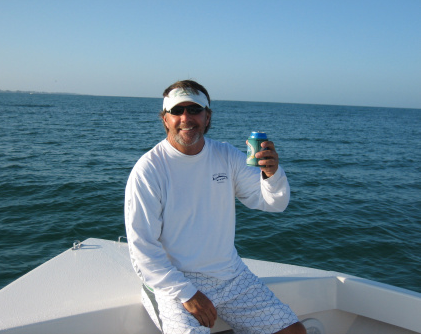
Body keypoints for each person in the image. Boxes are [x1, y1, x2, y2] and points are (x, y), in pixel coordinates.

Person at [124, 80, 306, 334]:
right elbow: (143, 249)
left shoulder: (227, 156)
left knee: (293, 331)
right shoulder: (149, 170)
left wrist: (271, 174)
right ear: (165, 119)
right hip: (174, 280)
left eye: (194, 109)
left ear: (207, 117)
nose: (186, 118)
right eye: (177, 111)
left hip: (231, 275)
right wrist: (188, 293)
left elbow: (274, 203)